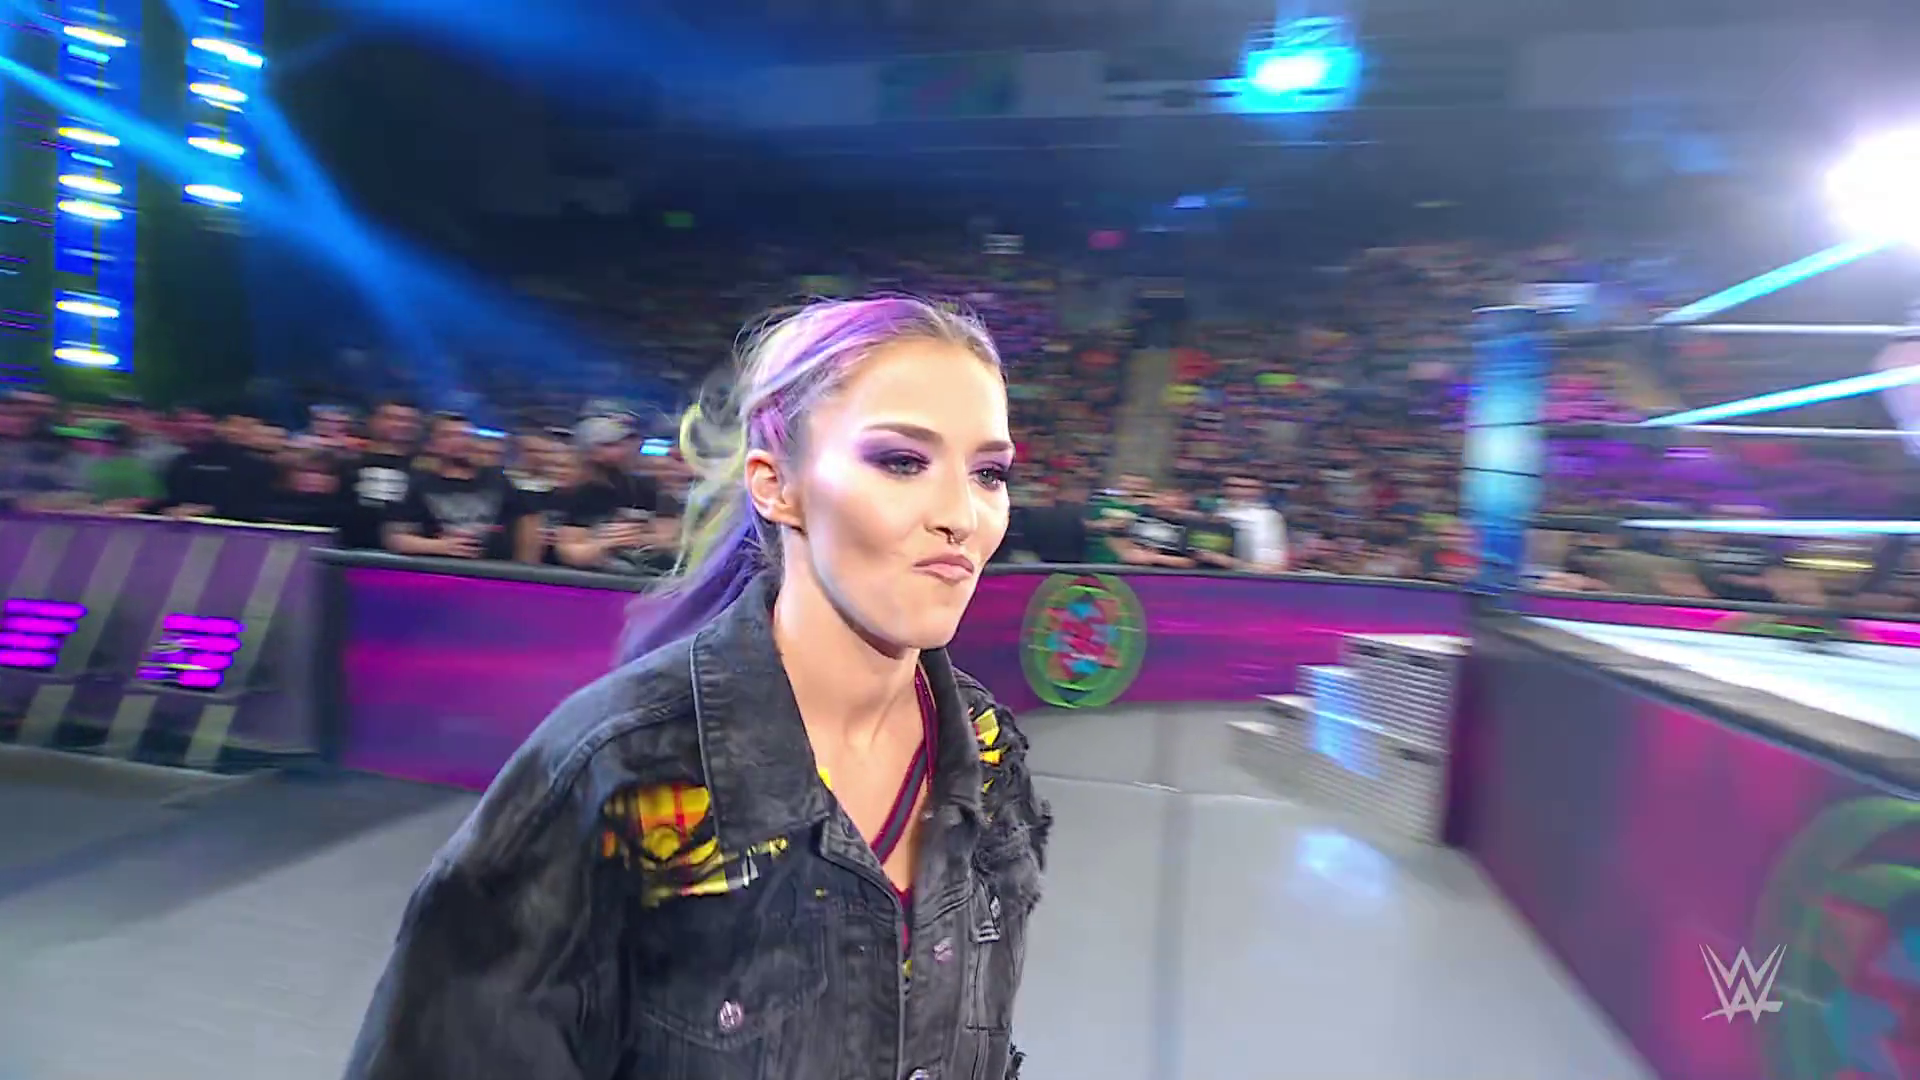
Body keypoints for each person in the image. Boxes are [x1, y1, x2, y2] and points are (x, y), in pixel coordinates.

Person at [346, 296, 1052, 1080]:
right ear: (776, 486)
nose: (963, 515)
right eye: (901, 461)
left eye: (989, 473)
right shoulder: (619, 776)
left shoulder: (988, 751)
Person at [554, 409, 681, 575]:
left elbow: (671, 538)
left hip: (647, 575)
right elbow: (569, 553)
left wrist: (644, 539)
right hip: (594, 578)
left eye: (626, 442)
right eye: (610, 445)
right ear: (591, 452)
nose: (625, 449)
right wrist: (605, 544)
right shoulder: (578, 494)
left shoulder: (647, 487)